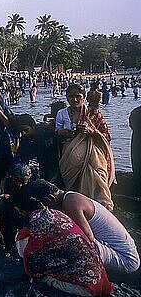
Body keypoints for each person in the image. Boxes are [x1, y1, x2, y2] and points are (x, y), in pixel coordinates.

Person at [25, 179, 140, 275]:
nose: (46, 209)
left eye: (44, 204)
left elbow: (86, 239)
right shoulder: (69, 197)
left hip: (126, 260)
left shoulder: (71, 203)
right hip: (114, 250)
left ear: (50, 199)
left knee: (68, 246)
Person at [15, 207, 114, 296]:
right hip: (100, 278)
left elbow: (30, 265)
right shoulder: (56, 214)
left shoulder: (26, 235)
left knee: (41, 278)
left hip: (84, 287)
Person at [55, 83, 114, 211]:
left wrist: (91, 131)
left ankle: (102, 207)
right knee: (73, 175)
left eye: (78, 96)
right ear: (66, 97)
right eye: (71, 96)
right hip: (70, 150)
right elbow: (57, 130)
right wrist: (65, 132)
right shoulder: (62, 113)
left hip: (92, 150)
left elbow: (106, 136)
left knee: (98, 174)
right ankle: (78, 206)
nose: (74, 100)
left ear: (84, 97)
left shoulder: (94, 113)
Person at [0, 163, 31, 248]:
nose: (19, 185)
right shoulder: (3, 188)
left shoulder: (30, 189)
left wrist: (26, 214)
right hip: (6, 220)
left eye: (23, 183)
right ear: (12, 177)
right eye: (17, 181)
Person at [11, 114, 60, 183]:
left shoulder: (44, 133)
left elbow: (43, 153)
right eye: (21, 131)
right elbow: (22, 154)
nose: (23, 133)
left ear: (33, 126)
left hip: (53, 163)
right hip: (42, 163)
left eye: (26, 130)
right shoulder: (26, 137)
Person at [130, 106, 141, 197]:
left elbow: (131, 125)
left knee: (137, 167)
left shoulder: (136, 112)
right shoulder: (136, 112)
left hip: (137, 142)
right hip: (137, 142)